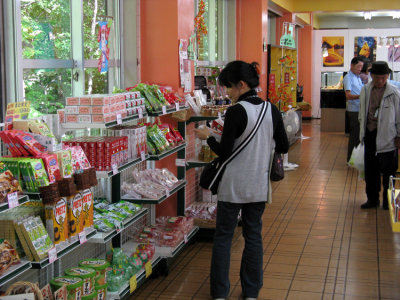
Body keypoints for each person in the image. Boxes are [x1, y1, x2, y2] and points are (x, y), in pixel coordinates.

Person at [194, 61, 289, 300]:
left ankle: (219, 293)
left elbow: (224, 152)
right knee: (253, 236)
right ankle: (250, 292)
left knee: (224, 237)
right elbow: (284, 145)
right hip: (258, 184)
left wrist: (208, 137)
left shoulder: (237, 111)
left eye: (228, 88)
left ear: (242, 85)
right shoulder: (271, 109)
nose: (227, 92)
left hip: (233, 185)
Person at [359, 61, 400, 209]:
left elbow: (399, 117)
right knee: (371, 170)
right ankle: (372, 199)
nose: (380, 81)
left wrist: (399, 136)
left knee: (389, 172)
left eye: (383, 77)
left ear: (388, 76)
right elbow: (362, 112)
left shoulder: (394, 92)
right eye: (377, 78)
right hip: (370, 134)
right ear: (371, 76)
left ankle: (388, 202)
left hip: (388, 137)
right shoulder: (365, 90)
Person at [343, 56, 364, 162]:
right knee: (354, 136)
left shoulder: (358, 77)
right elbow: (348, 95)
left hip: (359, 109)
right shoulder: (348, 77)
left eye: (361, 67)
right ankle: (350, 160)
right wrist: (361, 96)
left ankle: (355, 159)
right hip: (354, 110)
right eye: (358, 66)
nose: (360, 69)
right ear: (352, 65)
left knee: (358, 136)